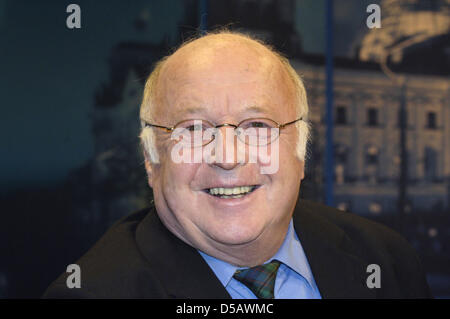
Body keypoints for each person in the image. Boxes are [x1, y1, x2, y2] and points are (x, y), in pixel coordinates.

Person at [43, 31, 431, 299]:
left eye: (258, 126)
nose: (228, 156)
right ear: (151, 160)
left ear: (300, 151)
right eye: (193, 129)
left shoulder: (386, 260)